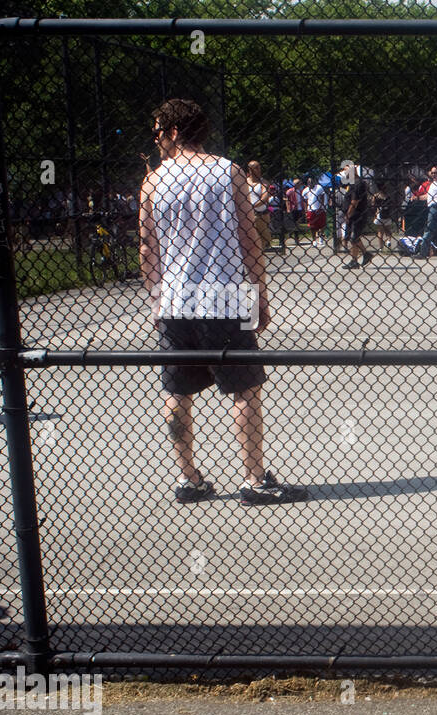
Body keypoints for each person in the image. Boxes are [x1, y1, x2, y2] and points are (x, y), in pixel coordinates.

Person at [138, 97, 307, 506]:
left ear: (175, 131)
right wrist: (260, 294)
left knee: (177, 391)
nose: (156, 138)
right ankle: (253, 478)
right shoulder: (227, 172)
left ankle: (189, 478)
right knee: (244, 388)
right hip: (225, 295)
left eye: (159, 130)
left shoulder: (152, 182)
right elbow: (251, 240)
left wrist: (158, 299)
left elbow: (147, 251)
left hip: (176, 300)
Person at [339, 162, 372, 269]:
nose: (345, 173)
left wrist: (348, 214)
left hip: (357, 214)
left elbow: (355, 201)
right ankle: (365, 254)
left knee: (354, 237)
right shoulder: (352, 183)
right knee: (352, 237)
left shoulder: (358, 183)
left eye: (346, 171)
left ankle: (354, 261)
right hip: (354, 214)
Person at [246, 160, 271, 251]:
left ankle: (260, 251)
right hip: (248, 214)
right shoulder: (244, 182)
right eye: (256, 168)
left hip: (261, 214)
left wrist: (252, 206)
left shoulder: (263, 182)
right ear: (250, 169)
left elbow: (265, 198)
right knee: (251, 236)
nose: (259, 170)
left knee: (265, 237)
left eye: (259, 167)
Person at [303, 175, 327, 246]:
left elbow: (322, 197)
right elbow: (305, 201)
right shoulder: (305, 190)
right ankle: (314, 240)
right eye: (309, 182)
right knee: (312, 226)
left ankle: (321, 238)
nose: (310, 184)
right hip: (311, 210)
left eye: (311, 182)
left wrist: (321, 207)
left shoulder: (319, 188)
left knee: (321, 225)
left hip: (319, 209)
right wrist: (305, 210)